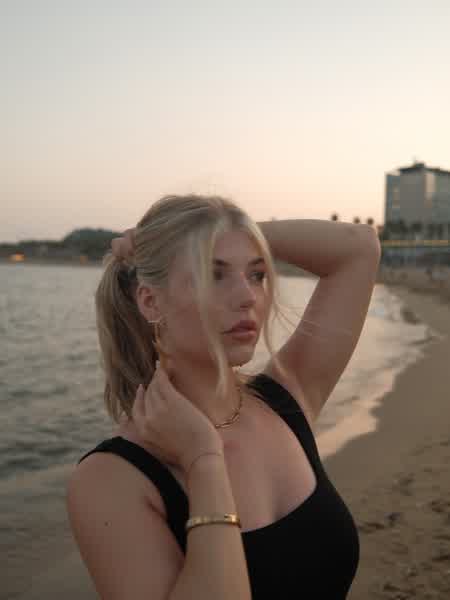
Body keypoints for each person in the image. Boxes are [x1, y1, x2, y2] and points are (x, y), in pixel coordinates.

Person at [66, 194, 369, 600]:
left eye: (257, 274)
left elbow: (359, 247)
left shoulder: (286, 397)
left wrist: (226, 230)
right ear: (150, 301)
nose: (248, 296)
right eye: (214, 274)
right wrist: (203, 461)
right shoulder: (111, 479)